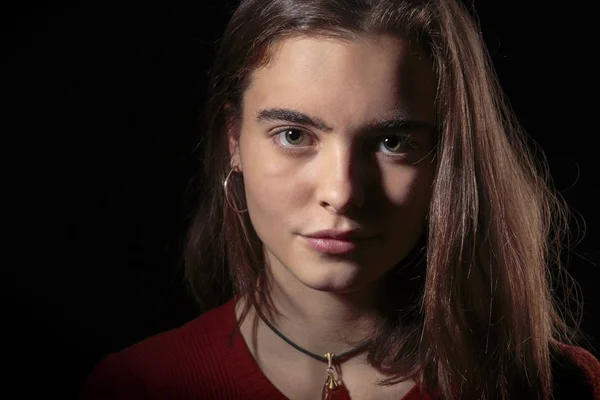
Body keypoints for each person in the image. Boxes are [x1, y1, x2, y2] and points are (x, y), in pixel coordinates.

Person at [81, 0, 600, 399]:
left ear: (448, 155)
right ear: (233, 140)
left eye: (393, 142)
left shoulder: (560, 384)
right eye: (293, 135)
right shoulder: (140, 386)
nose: (342, 193)